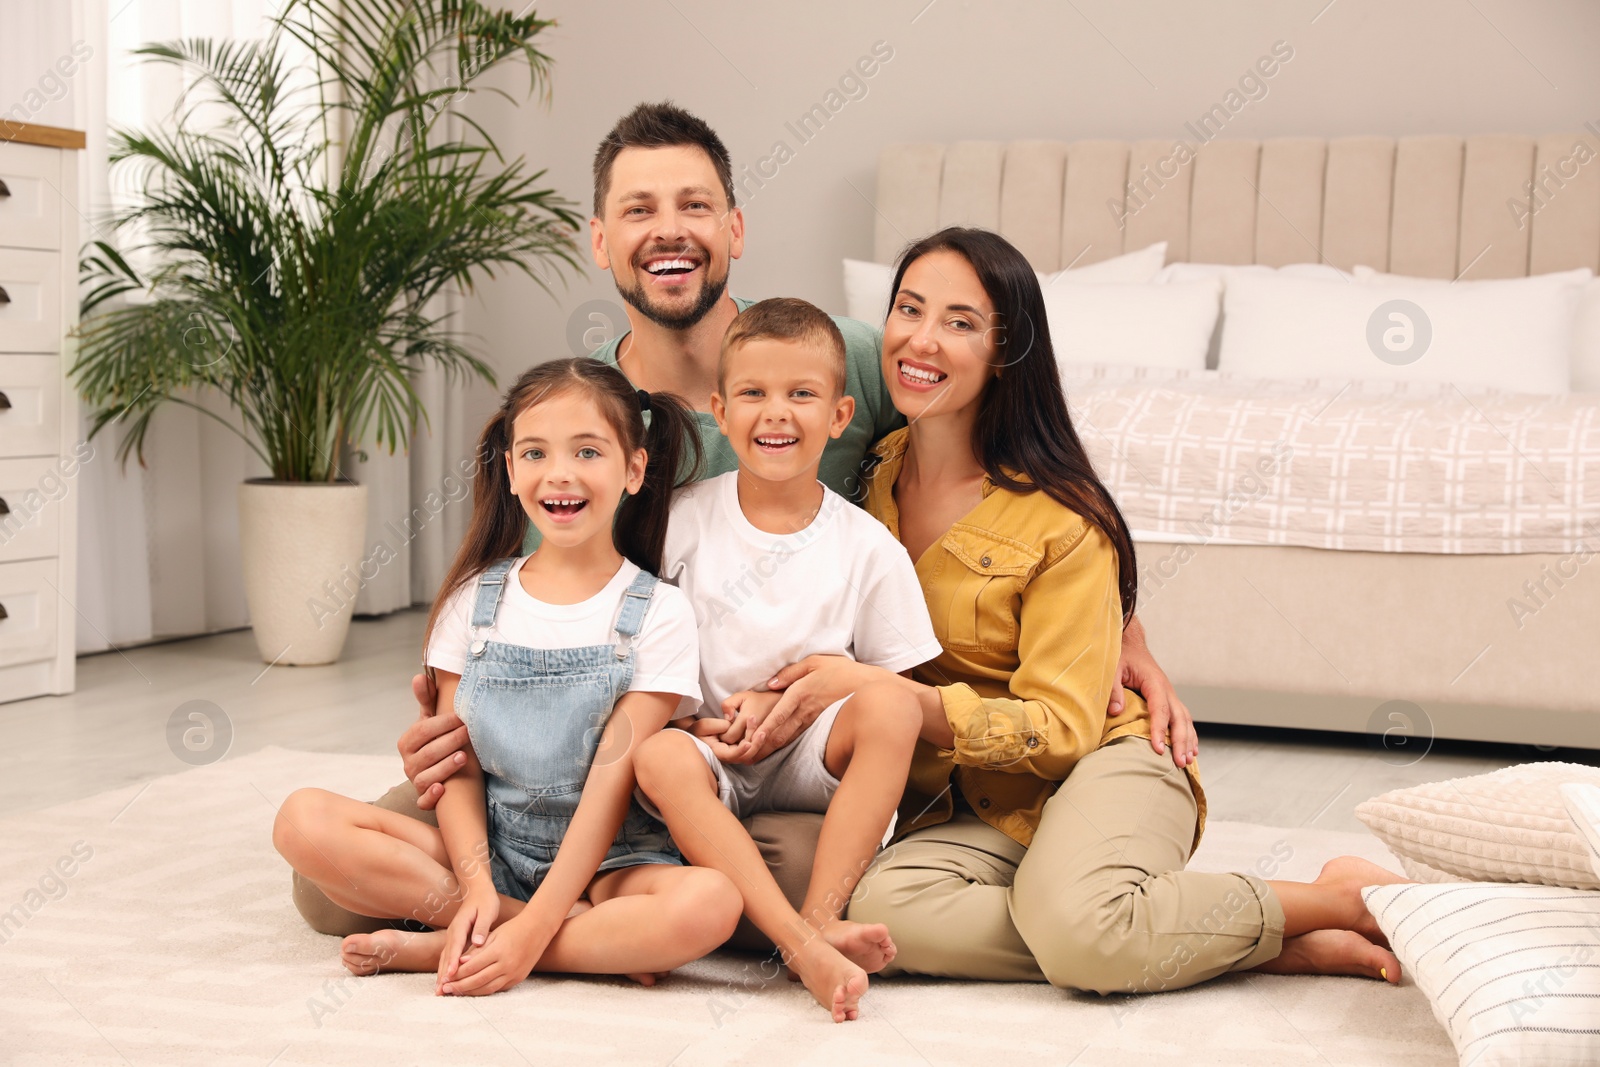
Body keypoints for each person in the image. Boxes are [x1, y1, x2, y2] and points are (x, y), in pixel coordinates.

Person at [293, 100, 1198, 939]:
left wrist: (1123, 631)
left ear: (734, 228)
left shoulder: (838, 356)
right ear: (601, 239)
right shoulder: (586, 420)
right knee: (323, 891)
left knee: (777, 873)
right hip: (617, 746)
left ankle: (566, 914)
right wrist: (464, 715)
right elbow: (535, 599)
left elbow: (1012, 464)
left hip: (775, 761)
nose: (669, 230)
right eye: (639, 210)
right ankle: (547, 919)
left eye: (694, 204)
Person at [758, 227, 1406, 993]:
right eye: (909, 308)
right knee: (875, 912)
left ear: (1005, 352)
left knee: (1077, 928)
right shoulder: (871, 476)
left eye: (961, 322)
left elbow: (1065, 728)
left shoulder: (1062, 517)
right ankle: (1210, 933)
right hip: (974, 805)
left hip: (1102, 759)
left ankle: (1338, 897)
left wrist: (897, 697)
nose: (921, 340)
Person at [273, 359, 741, 994]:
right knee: (301, 821)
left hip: (612, 861)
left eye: (587, 451)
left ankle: (483, 943)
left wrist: (541, 917)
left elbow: (612, 776)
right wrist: (475, 885)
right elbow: (457, 763)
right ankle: (544, 932)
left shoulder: (660, 612)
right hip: (489, 850)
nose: (560, 473)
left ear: (633, 470)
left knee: (710, 902)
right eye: (535, 452)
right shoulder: (473, 601)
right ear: (512, 470)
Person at [632, 298, 943, 1021]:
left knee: (892, 706)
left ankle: (825, 912)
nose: (778, 414)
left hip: (811, 754)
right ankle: (800, 941)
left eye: (802, 394)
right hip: (712, 748)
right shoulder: (682, 519)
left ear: (838, 416)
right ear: (720, 409)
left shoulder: (866, 545)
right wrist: (687, 724)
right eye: (754, 394)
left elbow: (901, 688)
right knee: (656, 759)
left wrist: (817, 704)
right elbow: (647, 646)